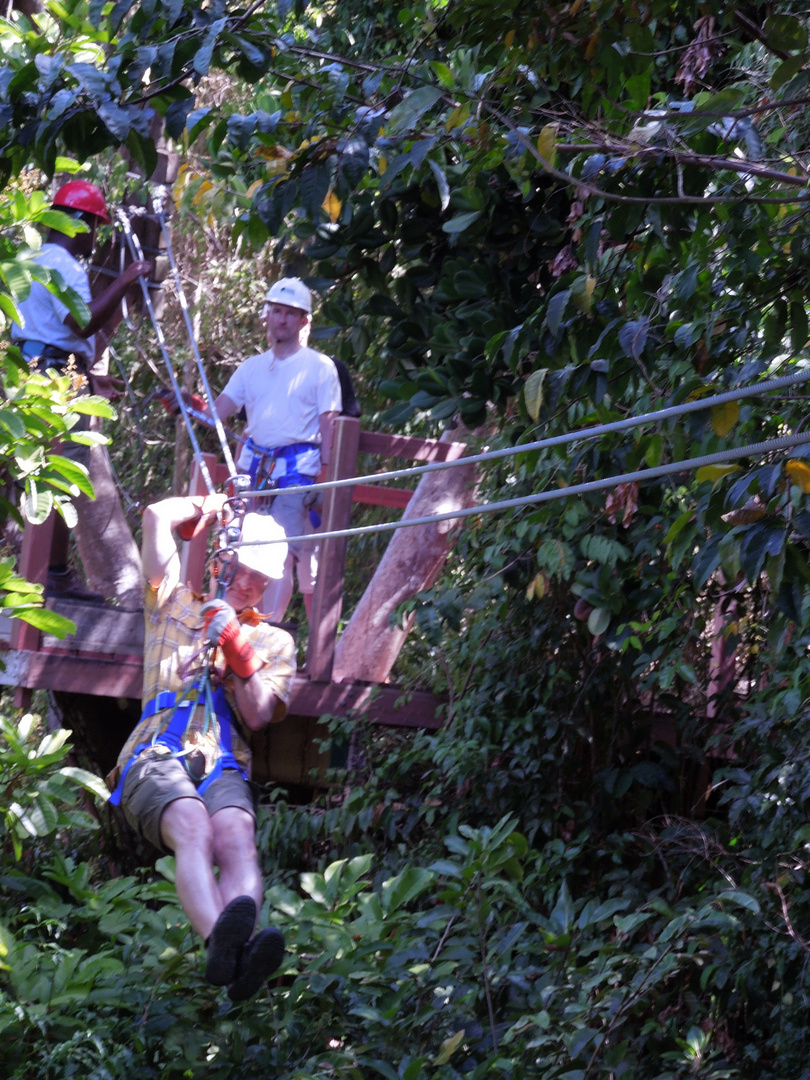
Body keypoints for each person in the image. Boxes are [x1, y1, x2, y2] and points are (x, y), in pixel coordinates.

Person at [107, 494, 296, 1002]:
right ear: (221, 560)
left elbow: (257, 715)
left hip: (222, 758)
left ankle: (237, 957)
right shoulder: (170, 603)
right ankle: (223, 944)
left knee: (236, 834)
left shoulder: (273, 642)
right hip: (157, 753)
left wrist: (237, 651)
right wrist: (209, 506)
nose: (251, 583)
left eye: (262, 578)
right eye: (244, 569)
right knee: (192, 824)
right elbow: (155, 518)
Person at [10, 179, 151, 600]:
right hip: (56, 381)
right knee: (60, 477)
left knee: (31, 471)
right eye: (94, 228)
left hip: (29, 371)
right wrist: (126, 279)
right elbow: (81, 322)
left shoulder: (27, 257)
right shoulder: (64, 264)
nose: (95, 238)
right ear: (77, 224)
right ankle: (52, 573)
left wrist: (91, 375)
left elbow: (51, 331)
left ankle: (37, 569)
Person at [209, 277, 342, 621]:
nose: (282, 319)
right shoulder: (251, 368)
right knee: (236, 545)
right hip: (252, 470)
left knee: (282, 551)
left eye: (290, 313)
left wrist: (327, 475)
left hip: (296, 472)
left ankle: (267, 627)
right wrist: (185, 404)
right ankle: (230, 617)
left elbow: (330, 424)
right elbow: (217, 410)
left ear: (304, 321)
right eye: (277, 311)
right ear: (267, 316)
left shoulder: (319, 367)